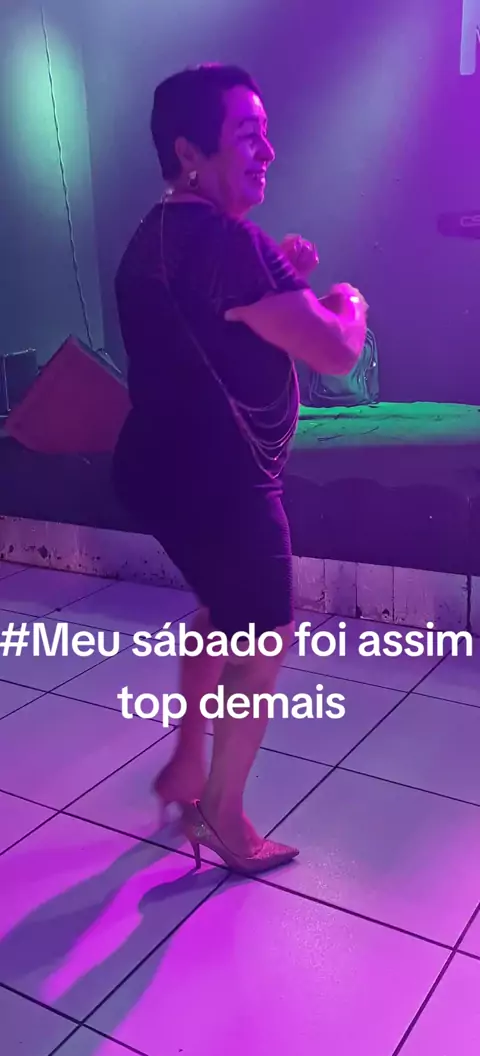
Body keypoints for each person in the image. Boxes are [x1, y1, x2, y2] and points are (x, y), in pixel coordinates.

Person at [112, 63, 368, 874]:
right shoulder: (231, 244)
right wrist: (347, 303)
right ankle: (223, 815)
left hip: (156, 470)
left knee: (221, 611)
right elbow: (334, 352)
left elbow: (210, 319)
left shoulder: (151, 234)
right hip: (225, 482)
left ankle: (186, 766)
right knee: (262, 632)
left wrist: (282, 276)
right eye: (248, 136)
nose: (268, 151)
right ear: (190, 152)